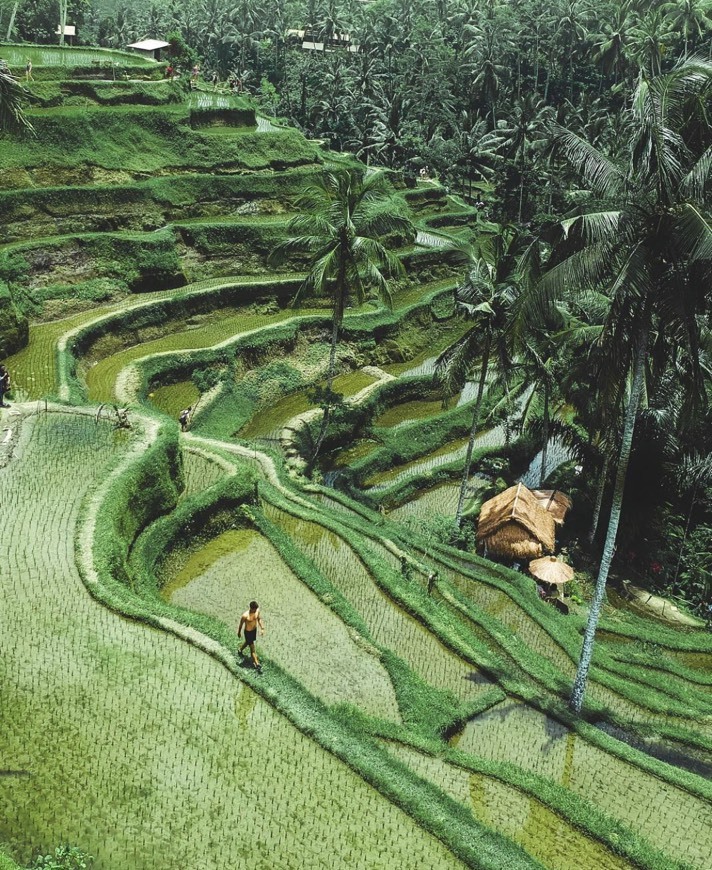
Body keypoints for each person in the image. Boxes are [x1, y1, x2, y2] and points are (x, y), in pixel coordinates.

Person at [238, 601, 265, 671]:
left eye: (256, 609)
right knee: (252, 649)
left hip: (254, 631)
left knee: (247, 642)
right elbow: (241, 625)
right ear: (251, 608)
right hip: (248, 632)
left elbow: (259, 619)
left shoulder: (257, 611)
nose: (256, 611)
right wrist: (239, 632)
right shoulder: (245, 616)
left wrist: (262, 628)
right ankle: (257, 664)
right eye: (254, 609)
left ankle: (240, 649)